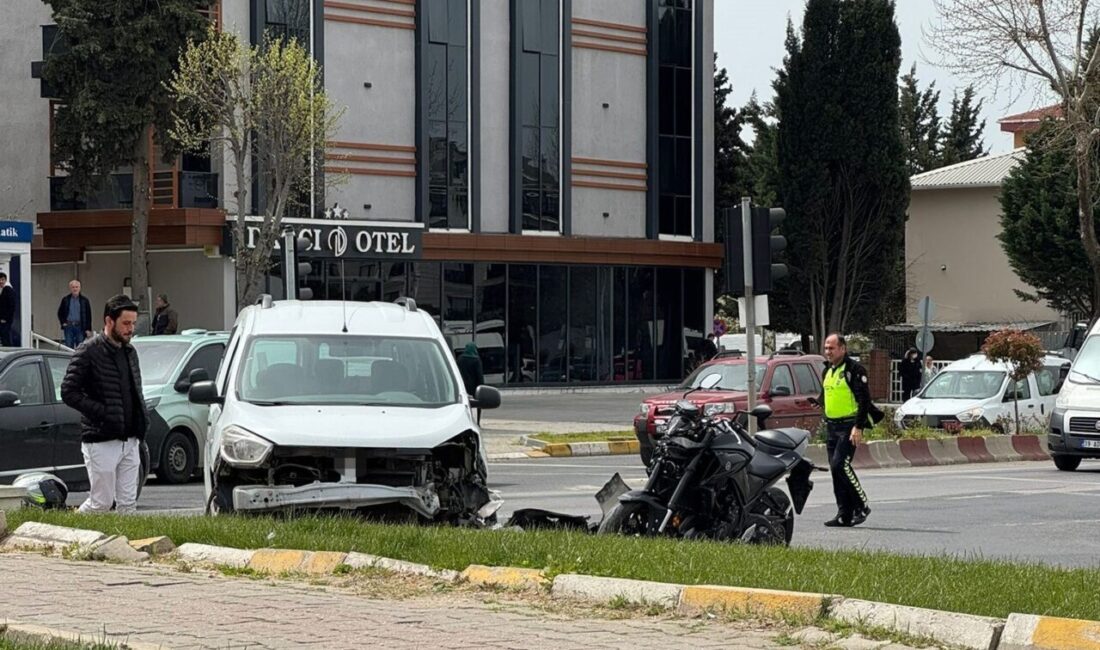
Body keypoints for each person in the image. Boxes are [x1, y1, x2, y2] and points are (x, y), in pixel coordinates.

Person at [60, 295, 148, 514]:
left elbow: (135, 391)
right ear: (109, 321)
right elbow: (68, 391)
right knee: (101, 502)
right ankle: (74, 535)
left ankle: (127, 545)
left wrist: (141, 420)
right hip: (100, 439)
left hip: (130, 438)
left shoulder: (130, 352)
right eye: (126, 323)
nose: (131, 329)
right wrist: (102, 413)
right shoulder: (88, 350)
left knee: (128, 503)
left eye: (133, 323)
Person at [817, 333, 883, 528]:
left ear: (843, 349)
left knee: (841, 465)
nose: (828, 352)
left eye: (832, 348)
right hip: (832, 426)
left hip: (849, 426)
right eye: (826, 348)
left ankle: (861, 505)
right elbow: (827, 395)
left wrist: (858, 426)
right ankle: (844, 513)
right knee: (835, 471)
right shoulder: (827, 371)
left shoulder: (854, 369)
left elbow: (864, 400)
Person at [57, 280, 93, 349]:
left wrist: (88, 329)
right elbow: (60, 312)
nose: (75, 289)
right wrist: (63, 322)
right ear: (70, 288)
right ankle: (70, 360)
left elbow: (89, 316)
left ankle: (78, 360)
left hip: (80, 327)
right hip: (69, 327)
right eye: (73, 287)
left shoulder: (84, 301)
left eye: (77, 287)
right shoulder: (66, 299)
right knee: (68, 346)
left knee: (80, 347)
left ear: (80, 288)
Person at [0, 271, 16, 347]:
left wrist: (5, 318)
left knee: (5, 337)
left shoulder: (8, 289)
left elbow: (11, 306)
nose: (1, 281)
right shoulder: (3, 289)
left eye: (2, 279)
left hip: (5, 320)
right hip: (4, 319)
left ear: (5, 280)